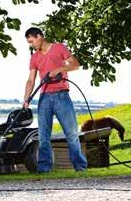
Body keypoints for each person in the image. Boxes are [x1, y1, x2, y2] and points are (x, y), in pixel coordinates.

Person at [23, 27, 87, 173]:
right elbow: (31, 80)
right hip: (44, 97)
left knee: (71, 134)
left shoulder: (59, 48)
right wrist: (26, 99)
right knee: (44, 136)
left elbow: (75, 65)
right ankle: (44, 168)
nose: (31, 45)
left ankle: (80, 167)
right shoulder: (34, 57)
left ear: (39, 36)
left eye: (32, 41)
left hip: (61, 96)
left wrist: (59, 69)